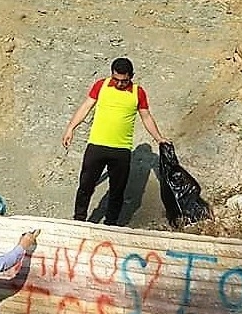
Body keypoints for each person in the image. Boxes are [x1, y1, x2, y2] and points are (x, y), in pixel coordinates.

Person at [61, 57, 169, 226]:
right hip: (96, 146)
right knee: (86, 186)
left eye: (124, 80)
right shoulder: (101, 85)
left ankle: (110, 224)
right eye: (116, 79)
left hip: (121, 149)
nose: (119, 84)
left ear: (131, 76)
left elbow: (146, 116)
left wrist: (159, 138)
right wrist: (70, 128)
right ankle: (79, 220)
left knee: (117, 191)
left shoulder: (137, 92)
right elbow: (85, 107)